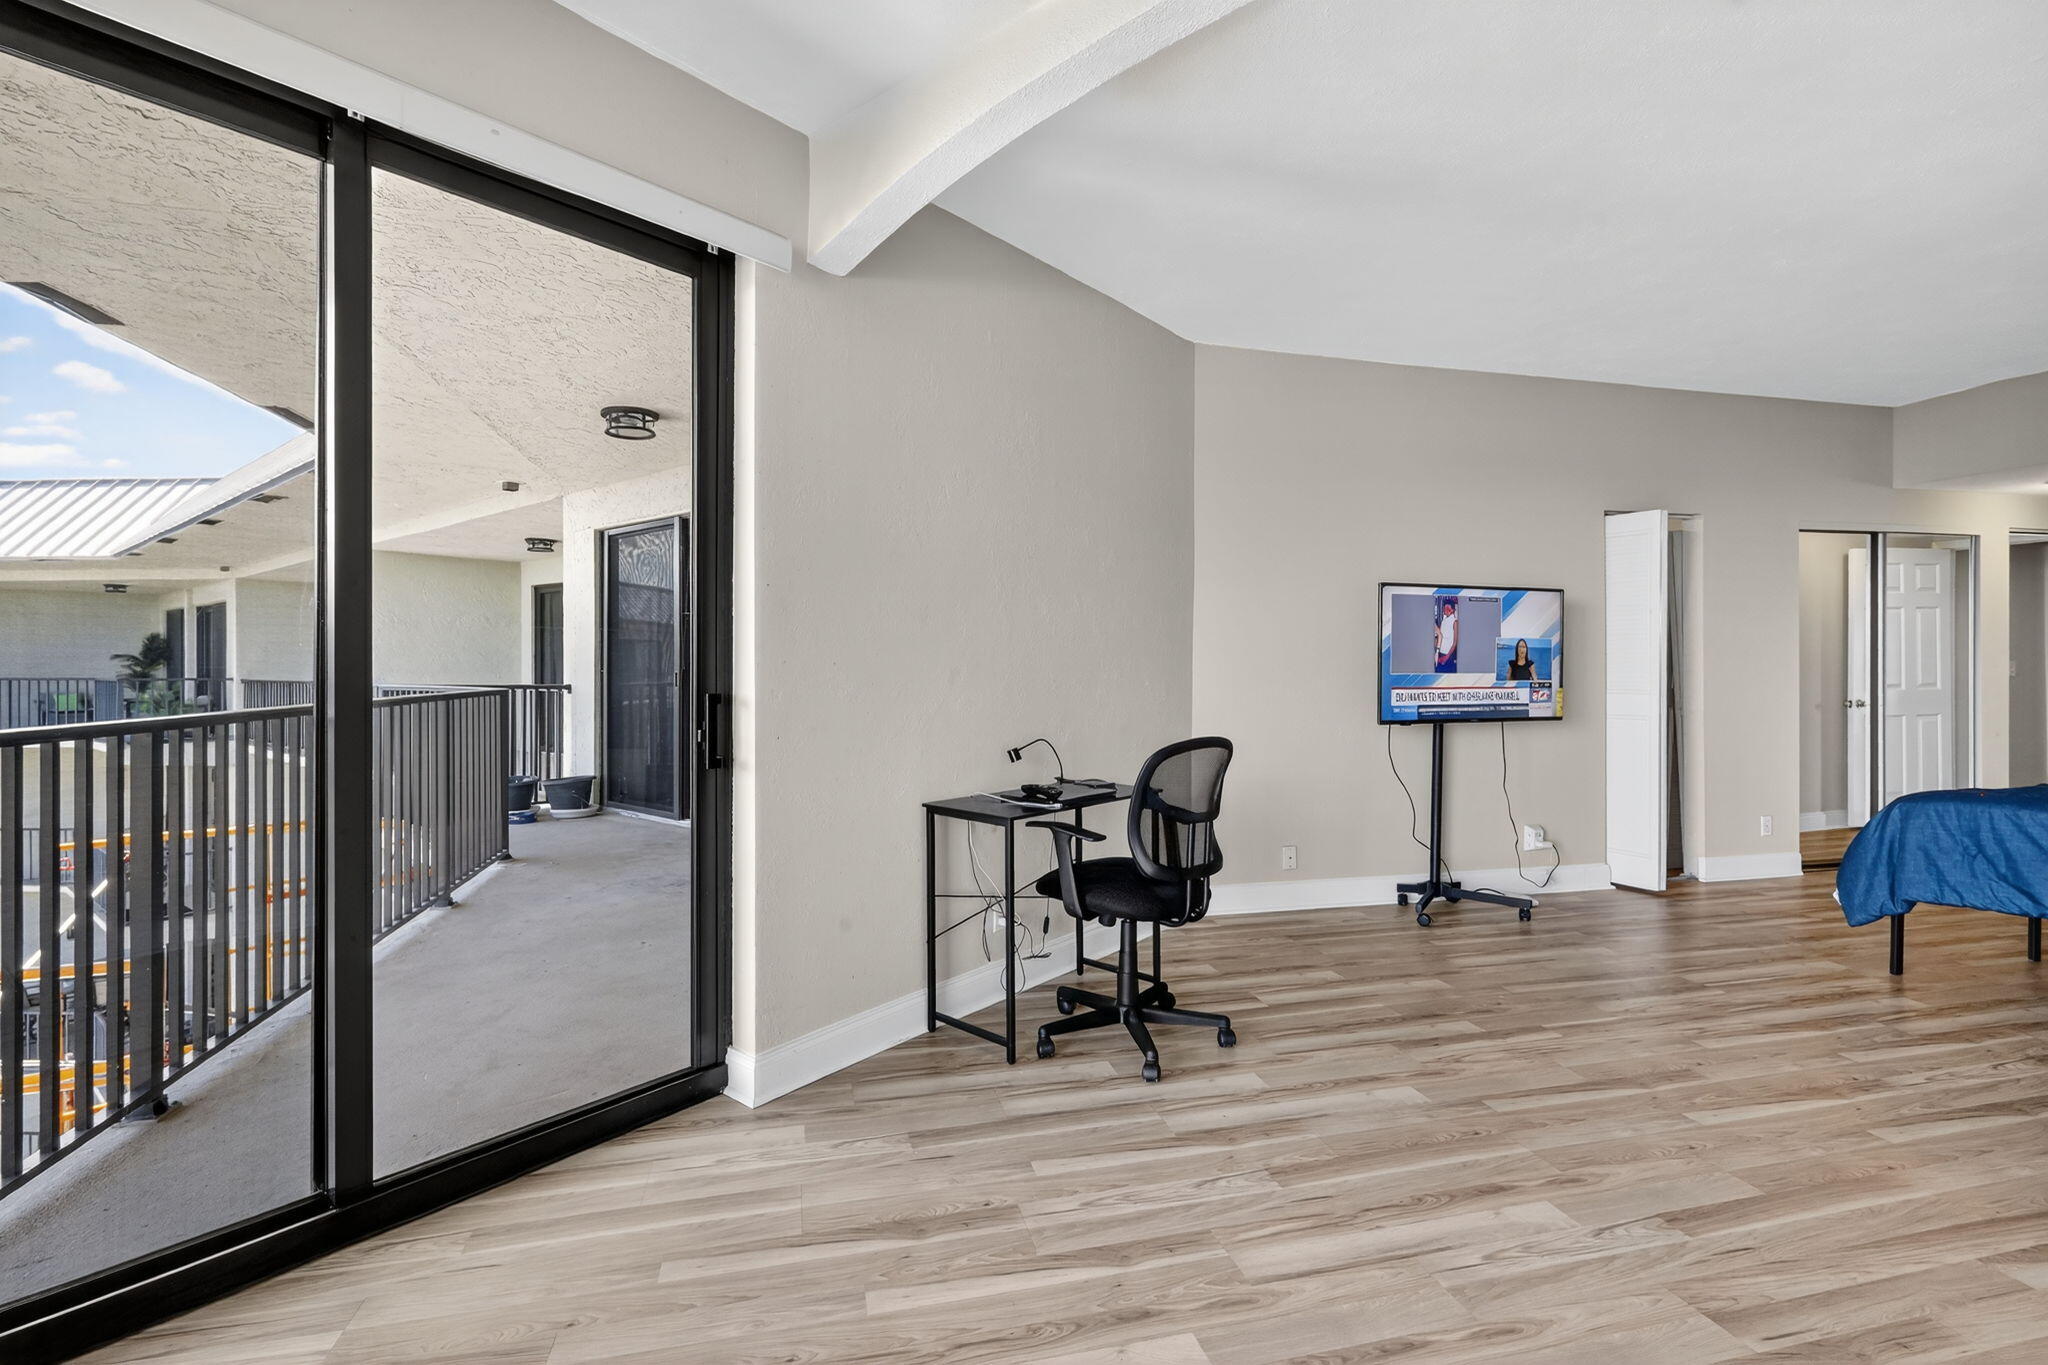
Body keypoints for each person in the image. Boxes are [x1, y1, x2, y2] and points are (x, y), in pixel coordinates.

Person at [1434, 599, 1458, 672]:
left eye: (1448, 609)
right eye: (1445, 608)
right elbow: (1439, 637)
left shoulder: (1455, 622)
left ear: (1453, 610)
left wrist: (1446, 657)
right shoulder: (1443, 621)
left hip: (1448, 655)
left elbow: (1455, 643)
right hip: (1440, 653)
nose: (1446, 610)